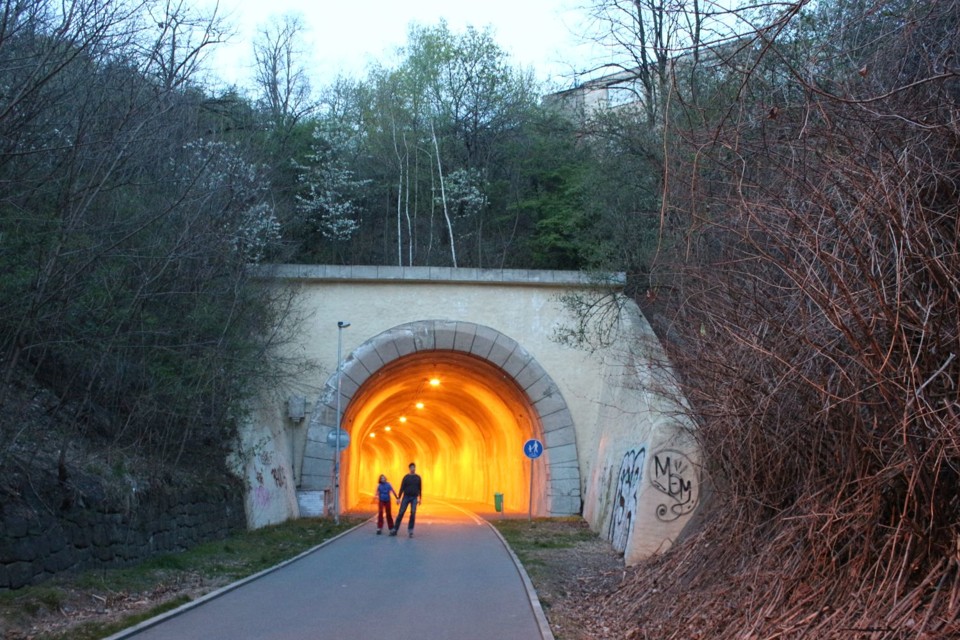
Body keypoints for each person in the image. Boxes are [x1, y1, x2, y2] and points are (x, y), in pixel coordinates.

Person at [390, 462, 422, 537]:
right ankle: (395, 529)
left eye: (414, 467)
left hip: (414, 497)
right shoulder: (406, 477)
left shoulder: (418, 477)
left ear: (415, 468)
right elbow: (402, 488)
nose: (413, 469)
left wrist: (420, 498)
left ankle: (410, 530)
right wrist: (398, 498)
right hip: (406, 497)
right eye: (411, 467)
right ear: (409, 468)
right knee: (401, 512)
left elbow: (420, 488)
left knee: (413, 513)